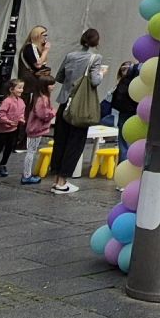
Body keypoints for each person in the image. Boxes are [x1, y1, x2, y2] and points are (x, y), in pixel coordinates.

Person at [49, 29, 107, 195]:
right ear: (97, 41)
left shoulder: (70, 55)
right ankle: (63, 181)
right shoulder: (96, 58)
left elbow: (59, 77)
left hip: (64, 101)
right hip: (80, 106)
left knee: (60, 140)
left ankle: (56, 180)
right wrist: (102, 73)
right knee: (75, 143)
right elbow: (95, 81)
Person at [14, 24, 51, 151]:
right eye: (44, 35)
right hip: (30, 86)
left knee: (29, 112)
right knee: (27, 112)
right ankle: (21, 141)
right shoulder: (31, 47)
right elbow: (38, 65)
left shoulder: (33, 48)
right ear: (37, 35)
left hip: (31, 86)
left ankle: (23, 140)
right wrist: (46, 51)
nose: (45, 38)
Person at [20, 74, 56, 184]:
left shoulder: (38, 97)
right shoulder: (42, 99)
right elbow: (43, 114)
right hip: (36, 128)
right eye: (51, 85)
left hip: (34, 128)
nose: (53, 86)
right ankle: (27, 175)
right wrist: (53, 112)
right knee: (31, 151)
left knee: (31, 151)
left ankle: (27, 174)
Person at [0, 80, 25, 178]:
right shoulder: (7, 101)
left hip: (14, 129)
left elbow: (21, 112)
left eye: (22, 87)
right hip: (2, 130)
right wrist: (8, 121)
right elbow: (0, 115)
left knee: (9, 147)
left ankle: (2, 165)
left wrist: (21, 119)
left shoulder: (21, 101)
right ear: (11, 90)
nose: (22, 90)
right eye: (19, 88)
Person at [111, 60, 140, 129]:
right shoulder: (122, 82)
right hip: (125, 110)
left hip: (127, 109)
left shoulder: (128, 81)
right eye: (123, 69)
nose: (124, 71)